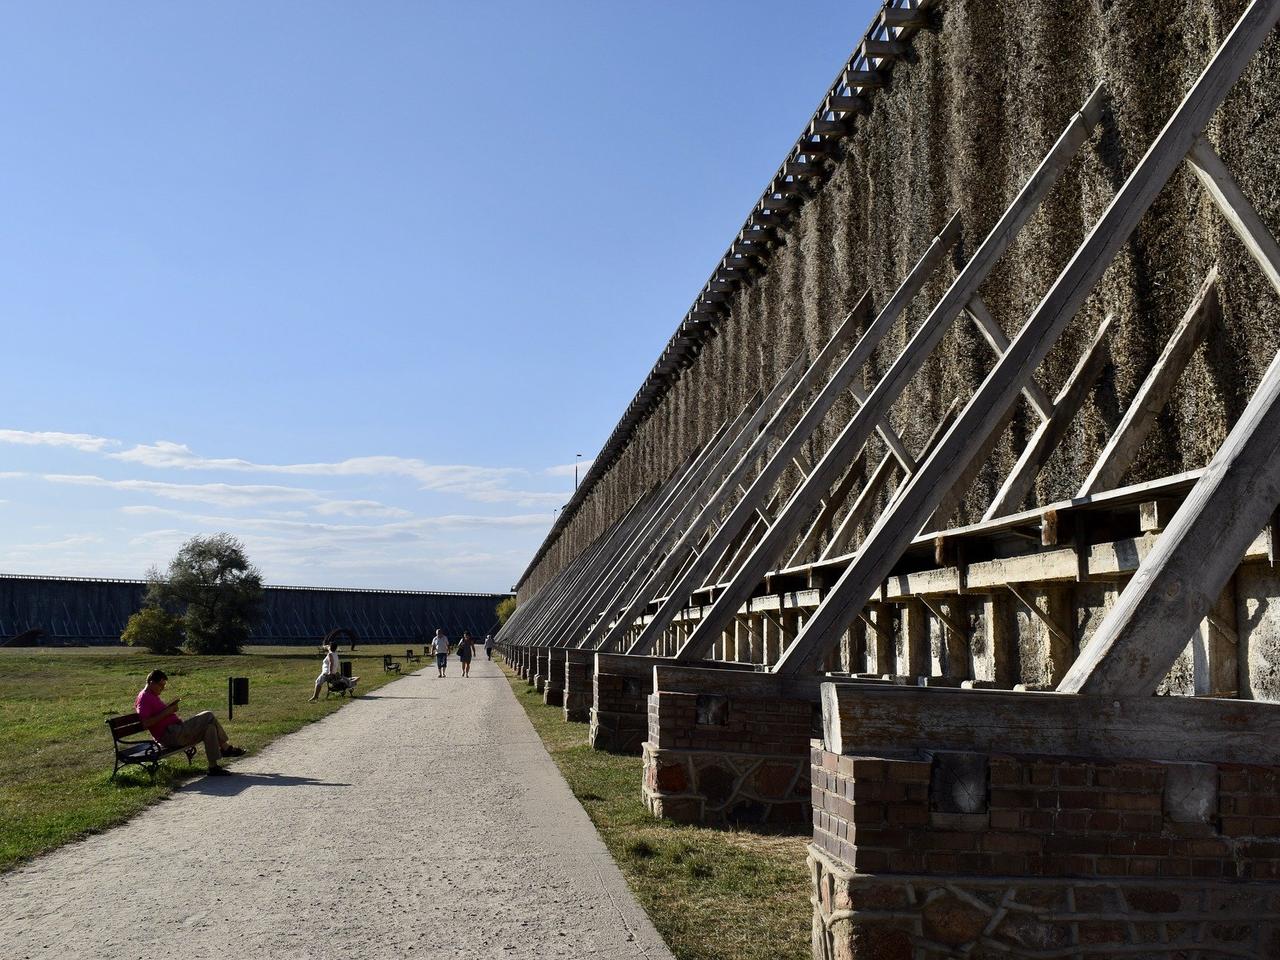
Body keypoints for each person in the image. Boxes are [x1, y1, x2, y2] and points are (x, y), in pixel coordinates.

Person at [134, 669, 245, 777]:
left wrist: (168, 709)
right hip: (169, 735)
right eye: (161, 685)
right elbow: (145, 723)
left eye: (164, 686)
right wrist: (168, 711)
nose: (162, 689)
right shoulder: (144, 698)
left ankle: (213, 767)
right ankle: (225, 748)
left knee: (209, 728)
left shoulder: (152, 696)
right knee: (208, 715)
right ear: (152, 682)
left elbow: (158, 714)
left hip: (176, 732)